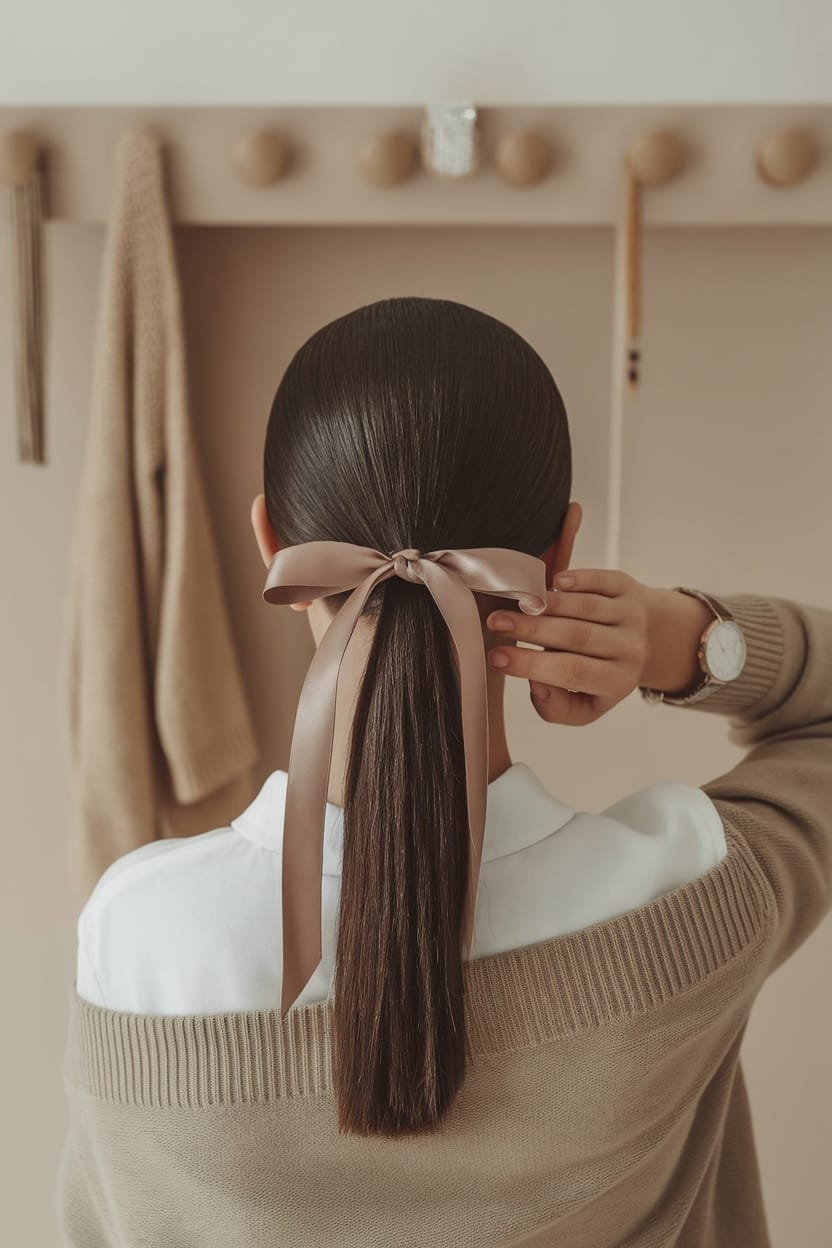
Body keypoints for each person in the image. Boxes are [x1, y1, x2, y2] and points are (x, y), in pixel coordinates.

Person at [58, 296, 832, 1247]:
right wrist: (685, 638)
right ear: (559, 552)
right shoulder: (687, 890)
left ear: (272, 543)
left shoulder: (140, 934)